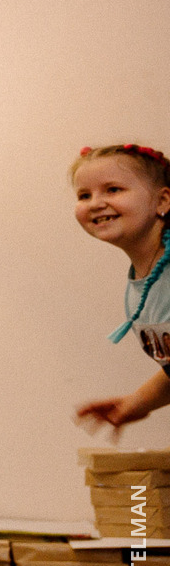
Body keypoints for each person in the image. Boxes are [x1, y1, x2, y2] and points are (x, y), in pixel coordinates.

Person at [71, 144, 170, 432]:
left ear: (162, 201)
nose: (95, 203)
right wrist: (137, 402)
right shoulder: (142, 283)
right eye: (84, 195)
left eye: (113, 190)